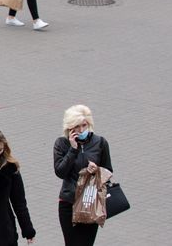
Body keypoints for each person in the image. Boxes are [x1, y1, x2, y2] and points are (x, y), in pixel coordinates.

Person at [53, 105, 113, 246]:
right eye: (76, 126)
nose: (81, 130)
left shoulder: (100, 143)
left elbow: (108, 171)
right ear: (69, 127)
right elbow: (60, 172)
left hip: (90, 203)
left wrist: (96, 170)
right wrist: (73, 150)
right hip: (69, 203)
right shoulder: (61, 143)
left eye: (84, 125)